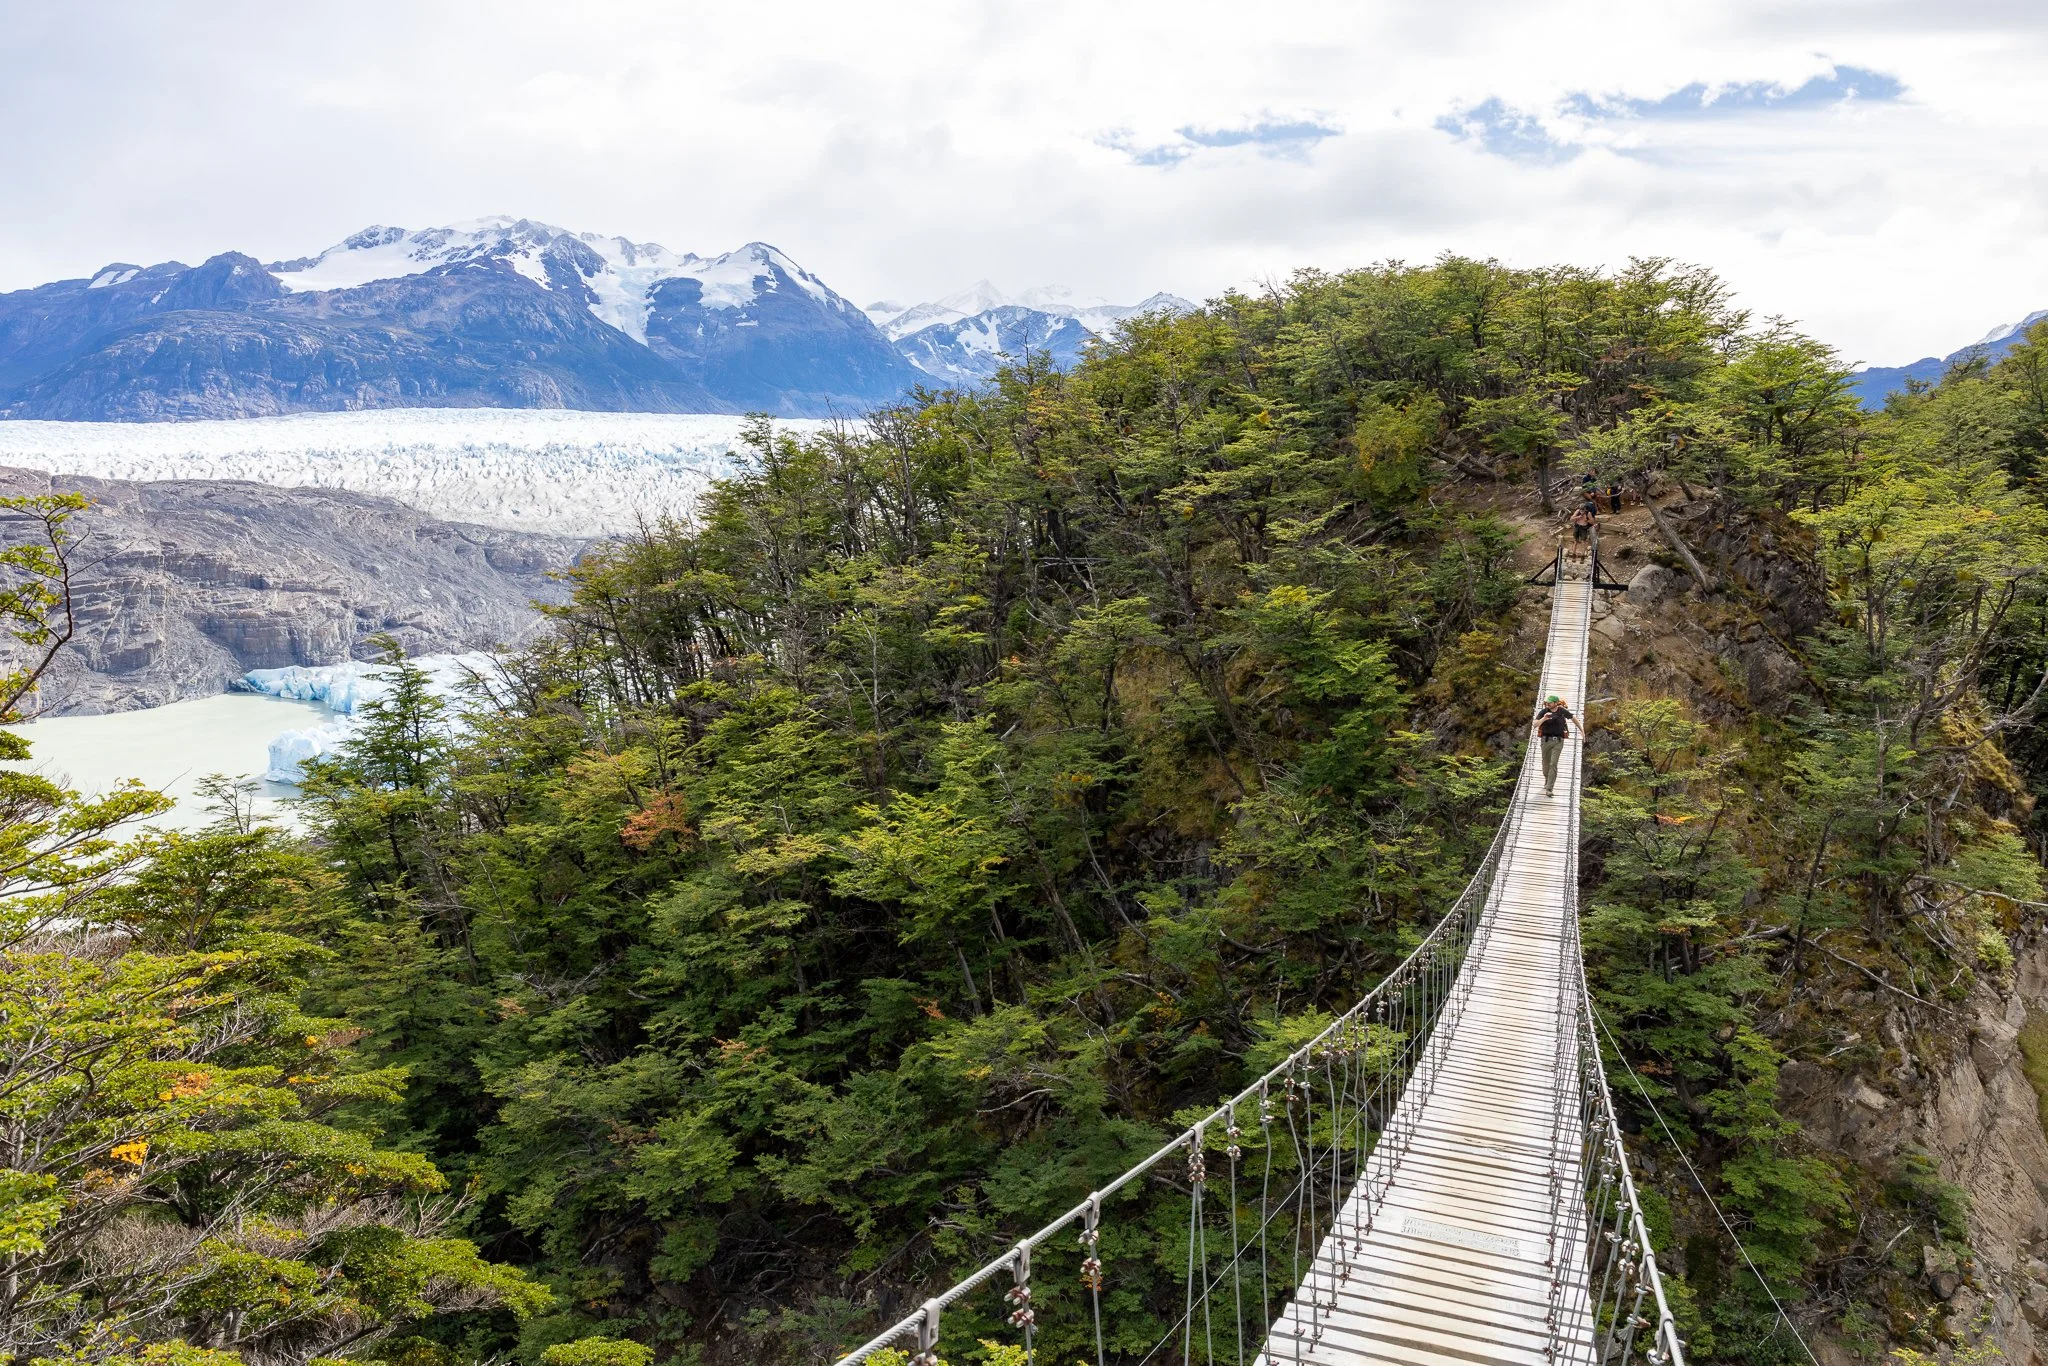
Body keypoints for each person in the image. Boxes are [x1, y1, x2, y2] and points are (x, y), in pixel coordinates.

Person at [1533, 694, 1580, 796]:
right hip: (1545, 741)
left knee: (1553, 764)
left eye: (1550, 703)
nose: (1548, 704)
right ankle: (1547, 779)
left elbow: (1573, 718)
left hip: (1558, 741)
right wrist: (1544, 719)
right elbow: (1535, 724)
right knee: (1545, 764)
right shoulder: (1544, 712)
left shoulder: (1562, 711)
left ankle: (1549, 788)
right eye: (1547, 702)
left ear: (1555, 703)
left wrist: (1582, 730)